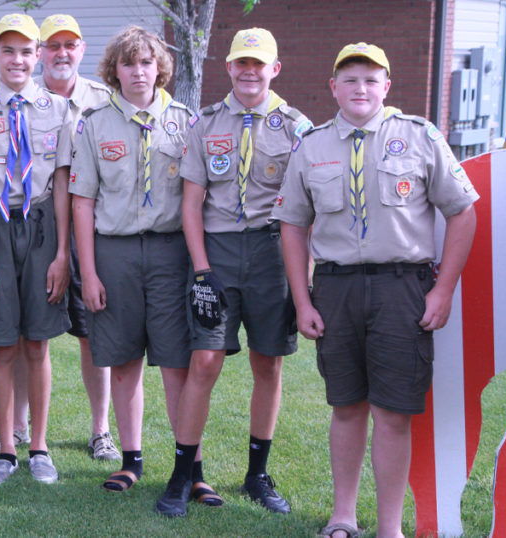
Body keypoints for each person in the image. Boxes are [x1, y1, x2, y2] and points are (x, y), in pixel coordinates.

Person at [272, 43, 477, 538]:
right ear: (333, 87)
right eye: (349, 79)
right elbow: (292, 225)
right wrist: (302, 299)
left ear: (387, 86)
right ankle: (342, 516)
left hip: (401, 290)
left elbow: (462, 211)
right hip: (336, 289)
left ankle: (389, 528)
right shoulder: (311, 146)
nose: (360, 88)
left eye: (370, 79)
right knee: (346, 408)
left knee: (393, 413)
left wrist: (444, 290)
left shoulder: (420, 137)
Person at [170, 27, 310, 514]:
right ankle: (182, 475)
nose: (249, 72)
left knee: (268, 362)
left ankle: (257, 474)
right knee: (205, 361)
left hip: (273, 252)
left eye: (259, 64)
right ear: (229, 67)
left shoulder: (296, 127)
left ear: (275, 69)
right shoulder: (206, 123)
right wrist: (202, 270)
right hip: (219, 252)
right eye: (241, 63)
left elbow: (306, 208)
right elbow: (191, 204)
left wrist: (301, 274)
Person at [0, 13, 119, 462]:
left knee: (91, 330)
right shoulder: (5, 100)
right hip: (34, 224)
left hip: (89, 228)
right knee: (25, 329)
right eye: (52, 45)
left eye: (69, 44)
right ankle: (17, 428)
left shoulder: (105, 99)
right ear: (41, 54)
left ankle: (101, 430)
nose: (61, 53)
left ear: (81, 49)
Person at [69, 25, 193, 497]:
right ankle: (131, 460)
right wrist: (89, 272)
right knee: (123, 361)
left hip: (170, 252)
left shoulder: (185, 121)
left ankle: (188, 464)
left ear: (159, 67)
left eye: (146, 62)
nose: (138, 71)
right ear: (113, 71)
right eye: (128, 63)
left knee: (177, 363)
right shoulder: (95, 124)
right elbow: (82, 202)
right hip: (115, 252)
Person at [0, 13, 72, 486]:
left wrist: (62, 254)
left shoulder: (58, 109)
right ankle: (6, 448)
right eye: (8, 50)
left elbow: (62, 183)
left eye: (26, 51)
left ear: (38, 55)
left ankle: (39, 446)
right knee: (2, 345)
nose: (17, 59)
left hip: (41, 225)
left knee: (37, 344)